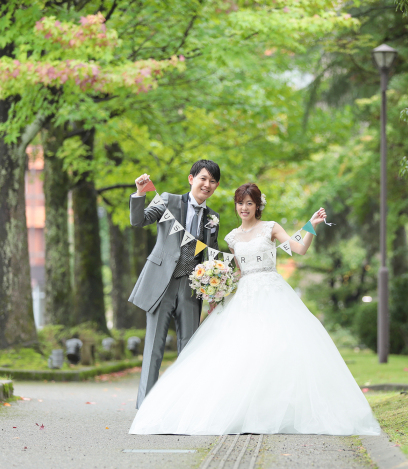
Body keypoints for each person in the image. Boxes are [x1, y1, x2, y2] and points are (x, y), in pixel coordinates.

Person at [129, 182, 380, 435]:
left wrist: (311, 226)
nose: (244, 208)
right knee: (241, 351)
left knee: (279, 347)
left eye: (249, 203)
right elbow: (237, 271)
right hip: (245, 295)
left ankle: (277, 410)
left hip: (273, 293)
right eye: (240, 203)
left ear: (258, 205)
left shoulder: (271, 227)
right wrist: (218, 288)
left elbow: (300, 249)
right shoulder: (232, 237)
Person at [129, 159, 221, 409]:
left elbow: (211, 256)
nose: (207, 184)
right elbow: (139, 221)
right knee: (154, 348)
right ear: (191, 179)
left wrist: (214, 292)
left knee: (189, 349)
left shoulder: (213, 218)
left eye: (213, 181)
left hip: (191, 288)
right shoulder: (168, 200)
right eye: (203, 178)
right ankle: (145, 408)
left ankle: (183, 408)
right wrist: (139, 194)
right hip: (162, 283)